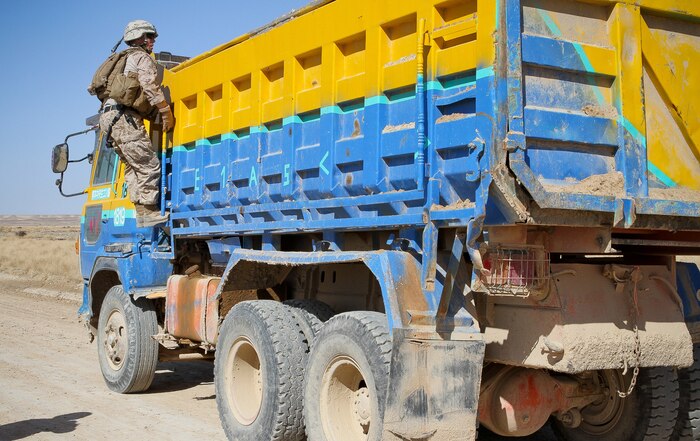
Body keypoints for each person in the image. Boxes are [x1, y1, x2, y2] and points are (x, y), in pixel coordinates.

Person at [99, 20, 174, 227]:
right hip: (124, 117)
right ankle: (149, 212)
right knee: (149, 165)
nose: (153, 41)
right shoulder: (140, 57)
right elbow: (149, 86)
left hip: (108, 118)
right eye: (150, 37)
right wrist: (165, 111)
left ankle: (141, 214)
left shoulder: (123, 59)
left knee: (133, 167)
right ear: (139, 37)